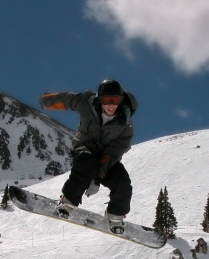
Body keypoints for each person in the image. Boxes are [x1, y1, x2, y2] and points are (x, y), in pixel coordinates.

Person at [39, 79, 138, 233]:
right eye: (106, 100)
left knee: (123, 182)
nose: (111, 105)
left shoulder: (125, 125)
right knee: (87, 164)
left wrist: (97, 178)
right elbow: (69, 100)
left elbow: (113, 153)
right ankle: (68, 201)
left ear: (121, 100)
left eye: (115, 100)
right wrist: (46, 101)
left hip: (107, 158)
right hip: (85, 146)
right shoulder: (87, 103)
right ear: (99, 99)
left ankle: (115, 215)